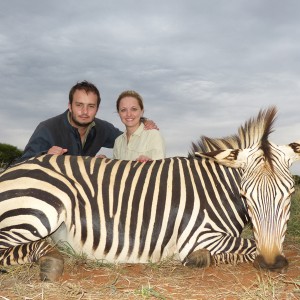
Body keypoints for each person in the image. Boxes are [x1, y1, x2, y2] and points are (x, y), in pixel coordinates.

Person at [19, 81, 157, 161]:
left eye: (91, 106)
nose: (85, 112)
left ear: (97, 109)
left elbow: (126, 137)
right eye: (79, 105)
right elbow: (21, 164)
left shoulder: (102, 128)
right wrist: (45, 156)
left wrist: (142, 121)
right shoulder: (47, 128)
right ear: (70, 106)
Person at [113, 90, 165, 161]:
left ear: (141, 111)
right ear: (119, 113)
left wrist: (148, 163)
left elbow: (160, 168)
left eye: (134, 109)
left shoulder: (153, 135)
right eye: (123, 110)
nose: (129, 114)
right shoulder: (118, 142)